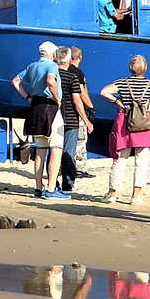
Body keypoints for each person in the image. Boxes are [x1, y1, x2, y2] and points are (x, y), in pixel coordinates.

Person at [99, 54, 150, 205]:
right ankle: (135, 196)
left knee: (119, 159)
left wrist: (118, 101)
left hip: (125, 121)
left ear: (130, 67)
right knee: (142, 160)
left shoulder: (122, 83)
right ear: (145, 68)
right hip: (145, 123)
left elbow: (104, 92)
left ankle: (112, 194)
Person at [11, 40, 66, 199]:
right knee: (56, 148)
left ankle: (38, 188)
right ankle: (50, 188)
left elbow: (15, 81)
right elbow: (50, 81)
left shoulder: (32, 66)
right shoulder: (52, 66)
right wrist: (57, 98)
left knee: (40, 150)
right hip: (50, 107)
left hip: (35, 107)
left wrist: (27, 96)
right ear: (53, 54)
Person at [55, 47, 92, 192]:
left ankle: (52, 182)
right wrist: (90, 107)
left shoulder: (52, 75)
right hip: (71, 117)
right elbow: (79, 96)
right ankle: (69, 183)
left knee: (54, 149)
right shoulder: (75, 75)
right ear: (79, 57)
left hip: (54, 116)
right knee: (74, 148)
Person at [69, 46, 94, 176]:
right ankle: (79, 168)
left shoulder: (63, 70)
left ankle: (65, 166)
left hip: (64, 110)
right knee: (80, 139)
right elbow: (81, 91)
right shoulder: (77, 73)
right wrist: (90, 106)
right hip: (77, 110)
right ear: (80, 57)